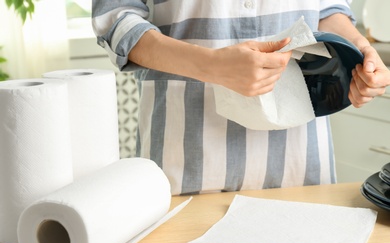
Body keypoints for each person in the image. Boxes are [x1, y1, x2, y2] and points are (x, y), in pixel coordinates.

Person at [92, 1, 390, 195]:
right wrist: (210, 65)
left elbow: (327, 10)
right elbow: (117, 20)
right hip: (185, 156)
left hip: (299, 157)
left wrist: (361, 49)